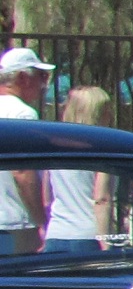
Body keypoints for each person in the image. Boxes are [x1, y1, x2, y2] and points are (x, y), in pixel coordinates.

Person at [43, 85, 114, 252]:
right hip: (88, 235)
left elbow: (47, 198)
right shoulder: (102, 148)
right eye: (106, 110)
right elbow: (102, 199)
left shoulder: (55, 149)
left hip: (56, 233)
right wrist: (105, 240)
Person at [0, 48, 54, 254]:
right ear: (23, 78)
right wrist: (41, 220)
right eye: (42, 76)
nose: (44, 85)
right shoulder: (22, 114)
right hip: (15, 222)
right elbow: (23, 173)